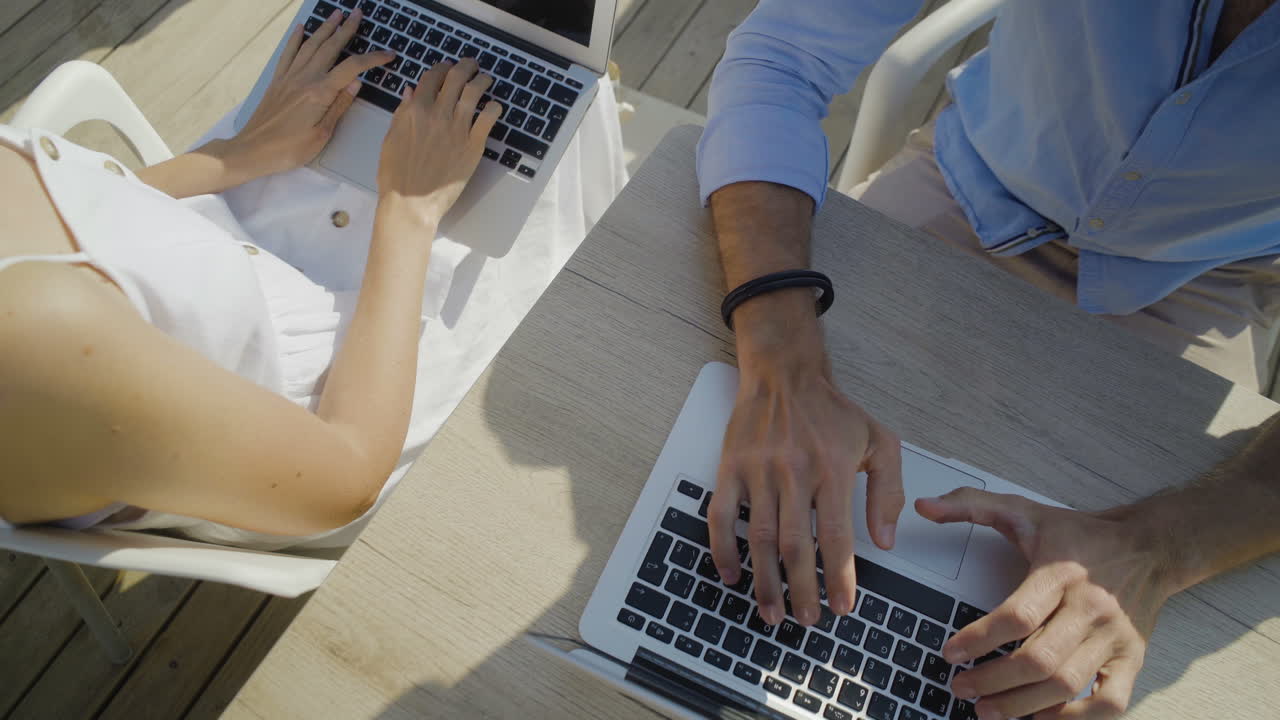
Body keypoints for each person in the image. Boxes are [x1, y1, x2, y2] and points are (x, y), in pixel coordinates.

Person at [697, 2, 1280, 718]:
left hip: (1204, 283)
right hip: (969, 183)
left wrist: (1160, 547)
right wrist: (782, 355)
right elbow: (783, 53)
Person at [0, 9, 628, 550]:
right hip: (334, 398)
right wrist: (408, 208)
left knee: (489, 66)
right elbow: (347, 476)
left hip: (211, 235)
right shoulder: (36, 336)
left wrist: (236, 155)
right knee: (557, 141)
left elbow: (84, 210)